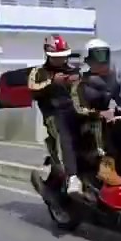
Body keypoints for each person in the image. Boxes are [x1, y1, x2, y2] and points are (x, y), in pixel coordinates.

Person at [29, 34, 84, 195]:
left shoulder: (74, 70)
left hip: (77, 112)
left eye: (63, 56)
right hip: (54, 115)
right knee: (65, 131)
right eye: (57, 56)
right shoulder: (39, 72)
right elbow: (33, 89)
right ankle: (73, 177)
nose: (61, 59)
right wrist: (52, 82)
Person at [71, 38, 121, 187]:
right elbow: (77, 107)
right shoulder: (81, 82)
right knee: (98, 129)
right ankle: (105, 169)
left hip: (114, 121)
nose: (101, 62)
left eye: (104, 56)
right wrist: (99, 114)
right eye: (97, 57)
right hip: (89, 122)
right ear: (88, 59)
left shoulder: (116, 79)